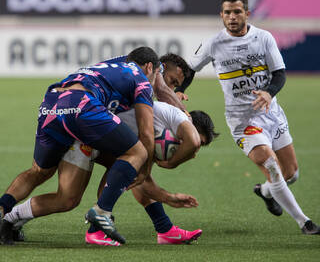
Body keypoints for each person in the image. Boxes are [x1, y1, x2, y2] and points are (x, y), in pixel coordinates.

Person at [175, 0, 320, 235]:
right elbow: (189, 69)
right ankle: (304, 222)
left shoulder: (264, 38)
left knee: (290, 174)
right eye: (227, 13)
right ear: (221, 15)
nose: (232, 17)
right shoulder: (214, 43)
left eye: (237, 12)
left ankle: (264, 191)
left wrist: (268, 93)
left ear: (247, 13)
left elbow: (279, 74)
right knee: (272, 167)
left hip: (272, 114)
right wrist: (179, 91)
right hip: (242, 121)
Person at [0, 46, 160, 244]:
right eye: (157, 74)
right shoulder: (142, 79)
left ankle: (3, 211)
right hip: (81, 104)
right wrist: (144, 170)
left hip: (51, 103)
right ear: (150, 67)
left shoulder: (109, 66)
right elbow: (146, 132)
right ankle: (102, 212)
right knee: (137, 152)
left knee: (41, 174)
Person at [1, 102, 218, 246]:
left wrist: (169, 198)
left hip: (95, 138)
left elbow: (140, 182)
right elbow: (145, 177)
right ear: (189, 126)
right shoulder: (171, 121)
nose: (195, 149)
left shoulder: (162, 130)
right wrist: (170, 167)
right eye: (199, 142)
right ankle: (8, 217)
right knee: (66, 199)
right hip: (84, 138)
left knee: (121, 175)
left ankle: (160, 229)